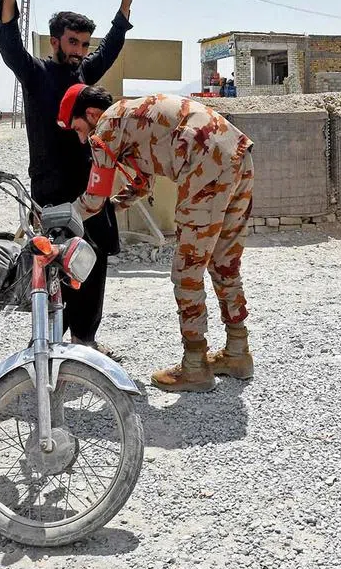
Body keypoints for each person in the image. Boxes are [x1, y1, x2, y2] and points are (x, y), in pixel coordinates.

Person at [0, 0, 137, 352]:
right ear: (55, 41)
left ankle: (85, 341)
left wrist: (124, 6)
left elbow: (112, 48)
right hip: (52, 188)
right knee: (57, 265)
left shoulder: (86, 72)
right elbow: (9, 46)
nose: (81, 52)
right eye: (74, 42)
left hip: (91, 186)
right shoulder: (36, 75)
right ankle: (53, 343)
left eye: (85, 44)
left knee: (95, 262)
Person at [61, 85, 255, 393]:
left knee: (187, 270)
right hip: (237, 154)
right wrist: (117, 203)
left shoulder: (106, 126)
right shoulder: (132, 116)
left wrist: (59, 215)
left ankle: (194, 366)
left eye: (78, 128)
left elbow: (93, 200)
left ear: (90, 115)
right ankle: (237, 352)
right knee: (224, 262)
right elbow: (143, 182)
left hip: (206, 163)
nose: (81, 138)